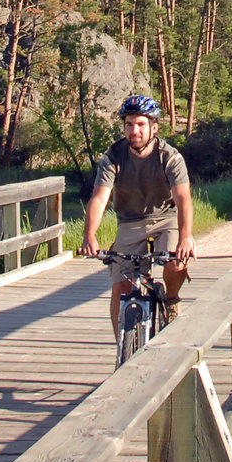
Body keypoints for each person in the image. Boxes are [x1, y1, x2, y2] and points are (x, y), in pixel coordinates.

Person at [78, 94, 195, 329]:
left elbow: (183, 199)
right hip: (129, 222)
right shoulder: (113, 157)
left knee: (176, 263)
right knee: (120, 286)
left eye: (141, 124)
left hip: (165, 218)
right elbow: (100, 198)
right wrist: (89, 235)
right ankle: (122, 352)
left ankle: (171, 300)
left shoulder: (169, 156)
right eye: (129, 124)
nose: (134, 131)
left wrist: (184, 238)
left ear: (154, 127)